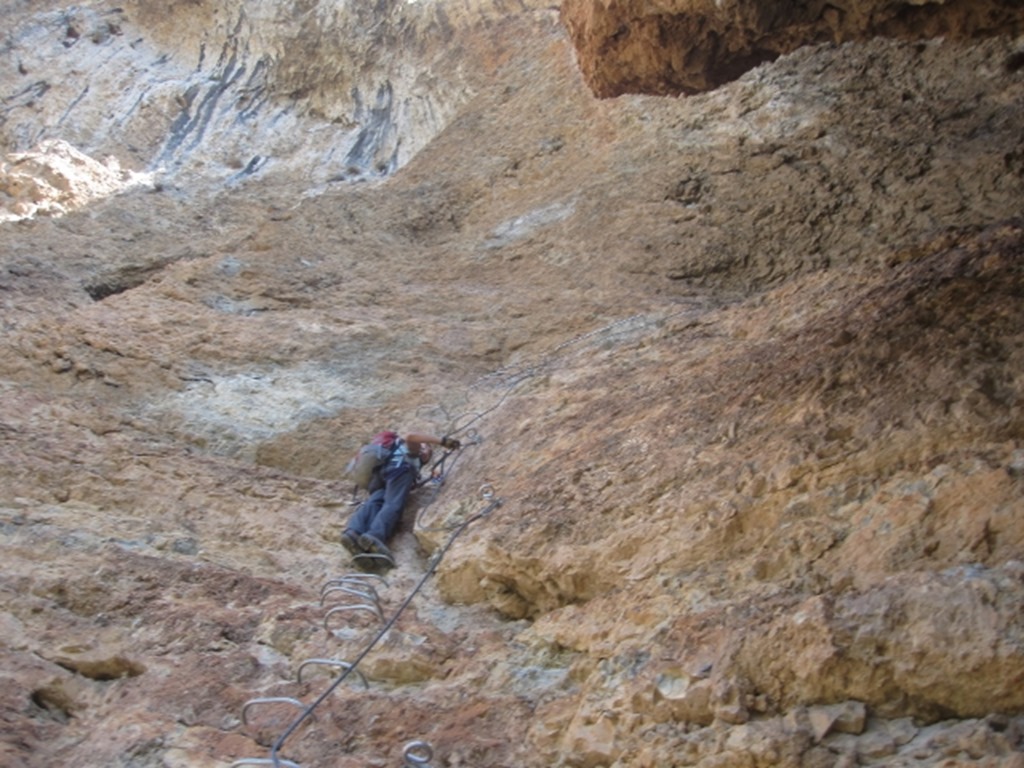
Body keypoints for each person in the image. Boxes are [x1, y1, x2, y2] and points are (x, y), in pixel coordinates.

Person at [341, 432, 460, 562]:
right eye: (426, 448)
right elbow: (411, 437)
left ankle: (353, 532)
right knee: (393, 504)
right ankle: (374, 537)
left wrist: (429, 479)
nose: (426, 452)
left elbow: (403, 486)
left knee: (374, 503)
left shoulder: (395, 452)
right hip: (399, 470)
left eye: (429, 452)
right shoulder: (412, 451)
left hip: (379, 477)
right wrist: (442, 441)